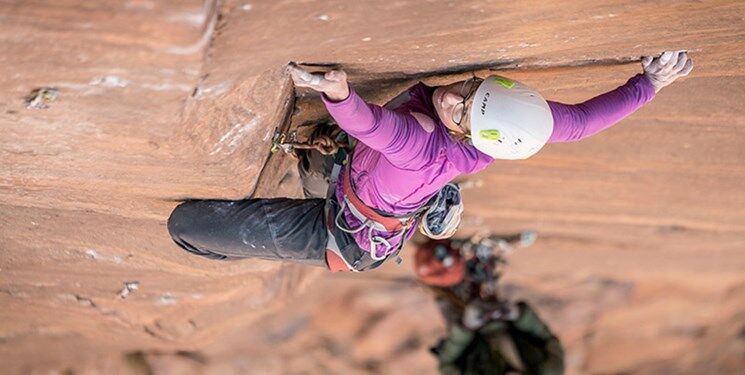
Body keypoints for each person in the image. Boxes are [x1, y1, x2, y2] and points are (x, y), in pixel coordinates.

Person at [167, 51, 693, 271]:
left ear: (472, 135)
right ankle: (429, 199)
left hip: (346, 235)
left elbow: (373, 126)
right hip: (368, 179)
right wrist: (650, 83)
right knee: (325, 163)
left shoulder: (421, 143)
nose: (452, 100)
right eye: (470, 90)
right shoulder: (509, 120)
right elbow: (579, 123)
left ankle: (426, 200)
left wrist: (339, 92)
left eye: (462, 112)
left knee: (186, 226)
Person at [415, 235, 564, 374]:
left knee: (437, 278)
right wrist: (519, 315)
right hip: (506, 321)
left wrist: (465, 328)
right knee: (483, 276)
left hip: (470, 332)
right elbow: (549, 341)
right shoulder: (551, 371)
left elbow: (446, 364)